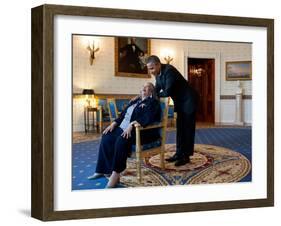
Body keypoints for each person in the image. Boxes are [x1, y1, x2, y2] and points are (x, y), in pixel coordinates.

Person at [88, 82, 161, 188]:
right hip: (122, 128)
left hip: (140, 131)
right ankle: (102, 170)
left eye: (148, 87)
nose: (144, 88)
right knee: (107, 136)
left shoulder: (153, 102)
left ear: (151, 92)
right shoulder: (135, 101)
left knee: (121, 140)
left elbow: (149, 117)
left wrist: (132, 124)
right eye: (143, 86)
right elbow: (123, 115)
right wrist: (114, 123)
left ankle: (115, 174)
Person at [146, 55, 198, 166]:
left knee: (187, 128)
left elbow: (167, 92)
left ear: (158, 64)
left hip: (189, 100)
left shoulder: (169, 70)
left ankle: (186, 157)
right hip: (180, 101)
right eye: (149, 69)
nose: (150, 71)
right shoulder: (158, 75)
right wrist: (146, 95)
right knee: (180, 128)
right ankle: (179, 153)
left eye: (151, 68)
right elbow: (156, 90)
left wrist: (153, 96)